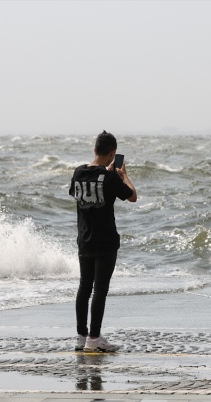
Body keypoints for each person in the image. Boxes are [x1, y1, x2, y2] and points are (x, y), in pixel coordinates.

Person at [69, 130, 137, 352]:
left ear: (94, 149)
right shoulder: (110, 177)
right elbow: (132, 196)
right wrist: (122, 174)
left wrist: (105, 173)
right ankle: (94, 338)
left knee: (84, 287)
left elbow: (83, 190)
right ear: (112, 153)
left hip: (84, 239)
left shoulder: (78, 173)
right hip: (105, 241)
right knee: (100, 289)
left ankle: (81, 336)